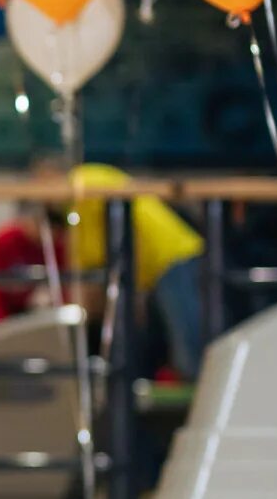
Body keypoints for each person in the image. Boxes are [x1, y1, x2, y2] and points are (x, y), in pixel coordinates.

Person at [67, 163, 206, 381]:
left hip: (174, 258)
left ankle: (206, 406)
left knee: (190, 351)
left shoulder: (83, 182)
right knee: (179, 350)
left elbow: (90, 261)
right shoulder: (82, 194)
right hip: (159, 267)